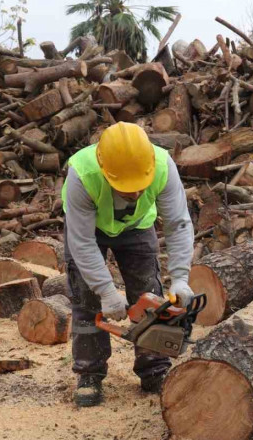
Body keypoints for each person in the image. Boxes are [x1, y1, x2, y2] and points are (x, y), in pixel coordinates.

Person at [61, 122, 195, 407]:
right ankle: (89, 374)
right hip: (88, 231)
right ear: (106, 170)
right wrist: (106, 291)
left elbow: (178, 223)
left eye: (139, 187)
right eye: (126, 187)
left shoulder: (162, 166)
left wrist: (181, 277)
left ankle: (154, 369)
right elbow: (82, 242)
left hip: (137, 227)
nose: (134, 194)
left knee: (150, 295)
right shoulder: (82, 175)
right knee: (87, 299)